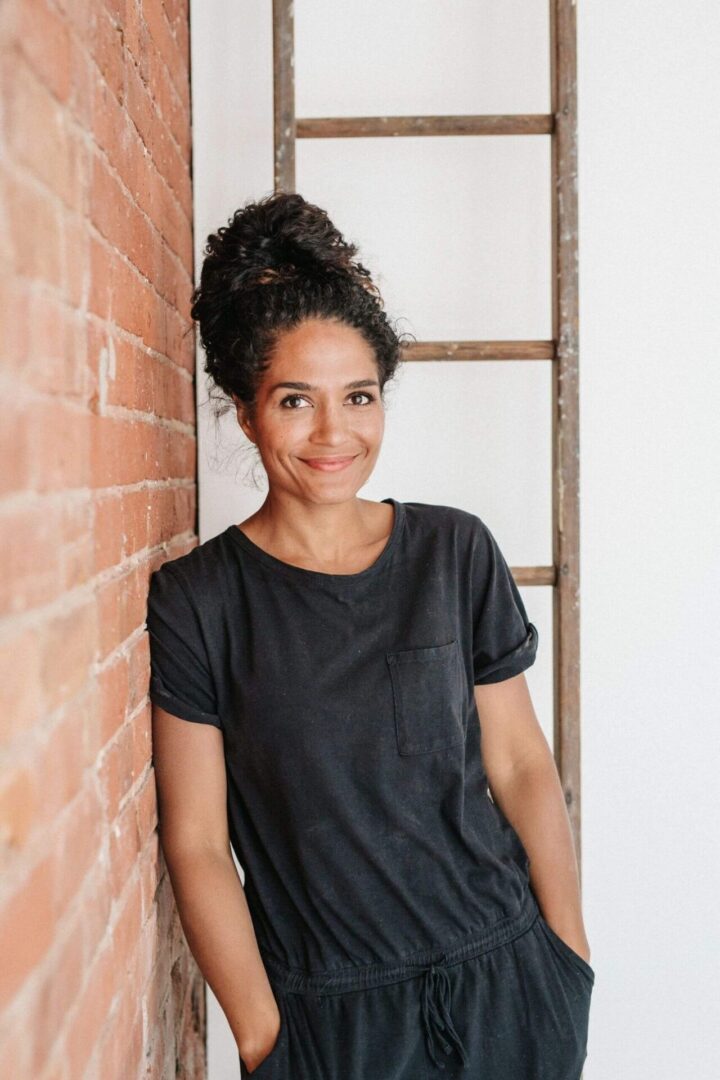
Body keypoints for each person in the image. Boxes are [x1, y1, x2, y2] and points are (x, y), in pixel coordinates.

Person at [146, 191, 595, 1079]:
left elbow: (519, 765)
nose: (333, 433)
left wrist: (566, 957)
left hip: (509, 989)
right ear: (245, 410)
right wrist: (266, 1041)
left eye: (357, 396)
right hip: (331, 1030)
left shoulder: (453, 550)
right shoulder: (200, 600)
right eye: (294, 401)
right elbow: (196, 842)